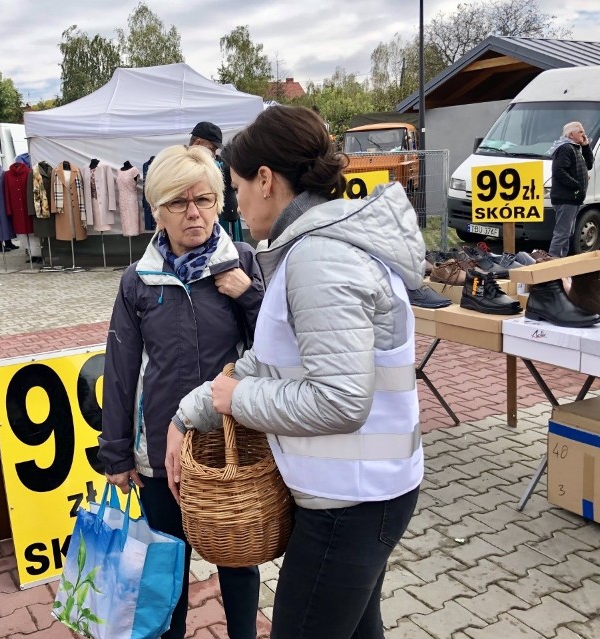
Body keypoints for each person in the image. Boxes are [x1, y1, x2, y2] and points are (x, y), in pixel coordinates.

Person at [166, 106, 425, 639]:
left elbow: (339, 401)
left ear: (266, 181)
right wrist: (191, 412)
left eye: (235, 188)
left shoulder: (318, 259)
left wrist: (236, 400)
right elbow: (272, 358)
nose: (235, 204)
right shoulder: (316, 249)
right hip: (361, 493)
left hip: (350, 502)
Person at [99, 144, 264, 639]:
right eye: (179, 202)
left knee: (238, 561)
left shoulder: (243, 263)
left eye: (205, 200)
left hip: (227, 447)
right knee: (166, 569)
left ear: (219, 202)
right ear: (157, 210)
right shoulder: (138, 282)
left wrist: (249, 296)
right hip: (158, 458)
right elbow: (122, 369)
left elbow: (273, 351)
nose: (194, 213)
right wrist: (116, 455)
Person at [189, 121, 243, 241]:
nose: (213, 154)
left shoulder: (218, 163)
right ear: (197, 143)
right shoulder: (185, 167)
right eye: (211, 149)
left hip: (225, 216)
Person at [548, 121, 593, 257]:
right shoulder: (565, 148)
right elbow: (558, 171)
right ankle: (553, 261)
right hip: (566, 198)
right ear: (571, 134)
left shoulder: (575, 148)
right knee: (562, 233)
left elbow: (589, 165)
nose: (584, 134)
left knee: (567, 233)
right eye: (580, 131)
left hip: (573, 199)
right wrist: (577, 185)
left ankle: (561, 261)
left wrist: (586, 147)